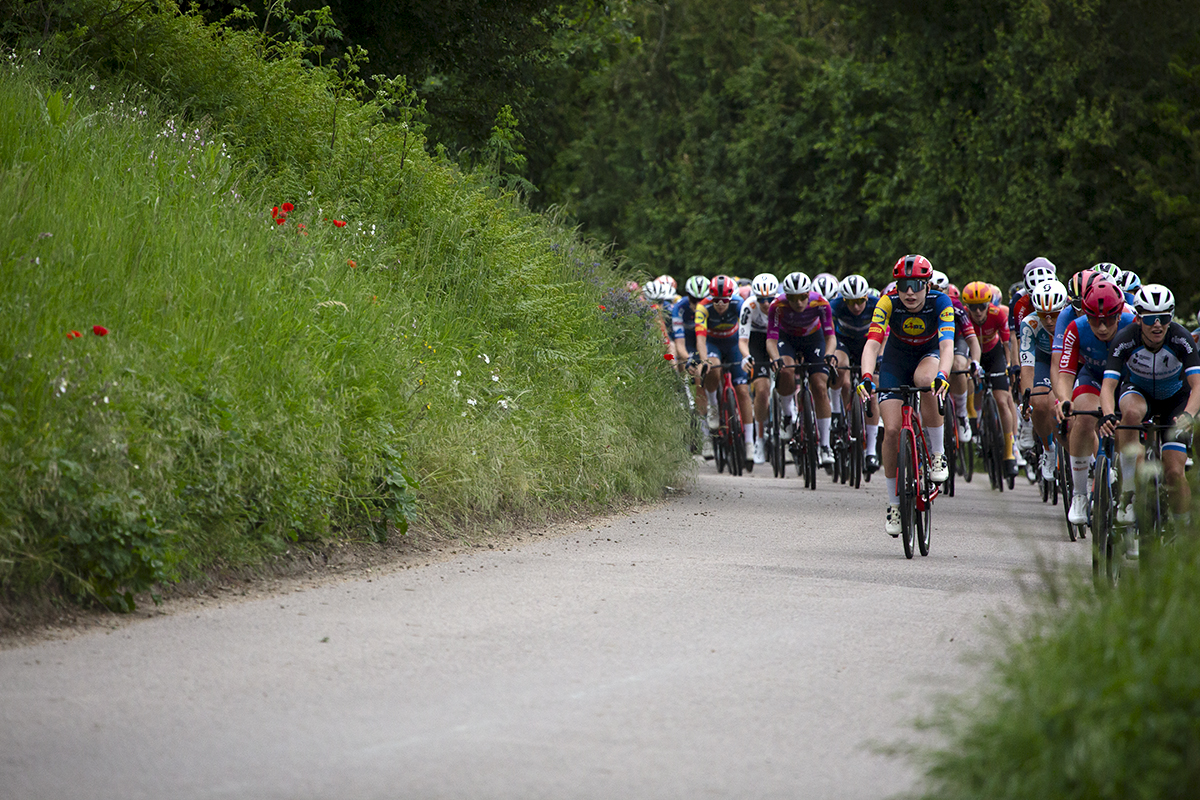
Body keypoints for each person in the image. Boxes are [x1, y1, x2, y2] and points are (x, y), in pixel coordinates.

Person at [857, 255, 955, 537]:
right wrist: (866, 375)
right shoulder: (887, 302)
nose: (909, 292)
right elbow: (873, 344)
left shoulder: (940, 302)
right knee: (891, 431)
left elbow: (947, 345)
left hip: (929, 355)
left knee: (925, 380)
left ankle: (938, 454)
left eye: (915, 284)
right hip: (896, 361)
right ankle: (895, 504)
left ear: (927, 284)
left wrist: (944, 374)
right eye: (903, 285)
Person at [1099, 283, 1200, 546]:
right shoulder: (1125, 338)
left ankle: (1183, 532)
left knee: (1174, 472)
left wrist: (1189, 415)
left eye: (1164, 318)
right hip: (1138, 393)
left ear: (1171, 317)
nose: (1157, 325)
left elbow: (1197, 385)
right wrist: (1109, 415)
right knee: (1130, 413)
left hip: (1174, 401)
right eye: (1150, 319)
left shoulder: (1181, 339)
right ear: (1138, 318)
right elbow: (1108, 386)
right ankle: (1131, 493)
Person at [1055, 279, 1136, 525]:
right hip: (1092, 377)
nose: (1102, 327)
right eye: (1094, 320)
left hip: (1125, 380)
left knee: (1128, 423)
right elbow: (1065, 374)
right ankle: (1079, 494)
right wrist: (1064, 400)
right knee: (1083, 415)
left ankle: (1129, 495)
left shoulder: (1132, 323)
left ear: (1119, 313)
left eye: (1109, 320)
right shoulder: (1075, 328)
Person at [765, 271, 838, 467]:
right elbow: (771, 339)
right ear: (786, 296)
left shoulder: (821, 303)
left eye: (802, 297)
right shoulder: (777, 306)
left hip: (814, 339)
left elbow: (830, 336)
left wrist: (829, 354)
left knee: (820, 386)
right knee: (786, 371)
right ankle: (788, 414)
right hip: (786, 339)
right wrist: (775, 359)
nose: (798, 303)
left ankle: (824, 446)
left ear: (809, 293)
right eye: (793, 298)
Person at [962, 280, 1020, 477]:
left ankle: (1009, 453)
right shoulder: (963, 317)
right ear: (967, 307)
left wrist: (1010, 367)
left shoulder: (998, 314)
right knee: (966, 375)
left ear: (989, 305)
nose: (978, 312)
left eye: (982, 307)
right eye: (973, 308)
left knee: (1003, 401)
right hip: (973, 354)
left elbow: (1007, 345)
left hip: (994, 355)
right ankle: (971, 417)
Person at [830, 274, 881, 472]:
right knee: (840, 366)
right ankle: (836, 411)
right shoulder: (835, 305)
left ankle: (871, 452)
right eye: (851, 302)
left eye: (860, 301)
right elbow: (827, 331)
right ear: (844, 300)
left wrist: (881, 357)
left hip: (868, 343)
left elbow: (886, 333)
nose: (856, 306)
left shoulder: (876, 304)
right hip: (843, 343)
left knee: (873, 392)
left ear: (866, 298)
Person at [1019, 278, 1069, 482]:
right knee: (1039, 403)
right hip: (1042, 360)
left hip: (1067, 360)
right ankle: (1048, 450)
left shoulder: (1073, 320)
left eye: (1054, 315)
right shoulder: (1029, 324)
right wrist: (1025, 400)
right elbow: (1027, 366)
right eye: (1043, 315)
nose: (1048, 321)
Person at [738, 272, 780, 463]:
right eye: (761, 299)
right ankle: (759, 439)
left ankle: (790, 415)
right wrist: (746, 356)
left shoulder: (781, 305)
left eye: (769, 299)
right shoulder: (749, 306)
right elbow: (743, 340)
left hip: (778, 339)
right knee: (762, 391)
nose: (765, 303)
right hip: (757, 341)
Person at [672, 275, 712, 439]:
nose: (697, 304)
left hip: (708, 343)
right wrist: (689, 359)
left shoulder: (711, 307)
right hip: (689, 345)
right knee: (697, 376)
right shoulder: (679, 309)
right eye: (693, 299)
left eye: (701, 299)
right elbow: (679, 344)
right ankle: (701, 425)